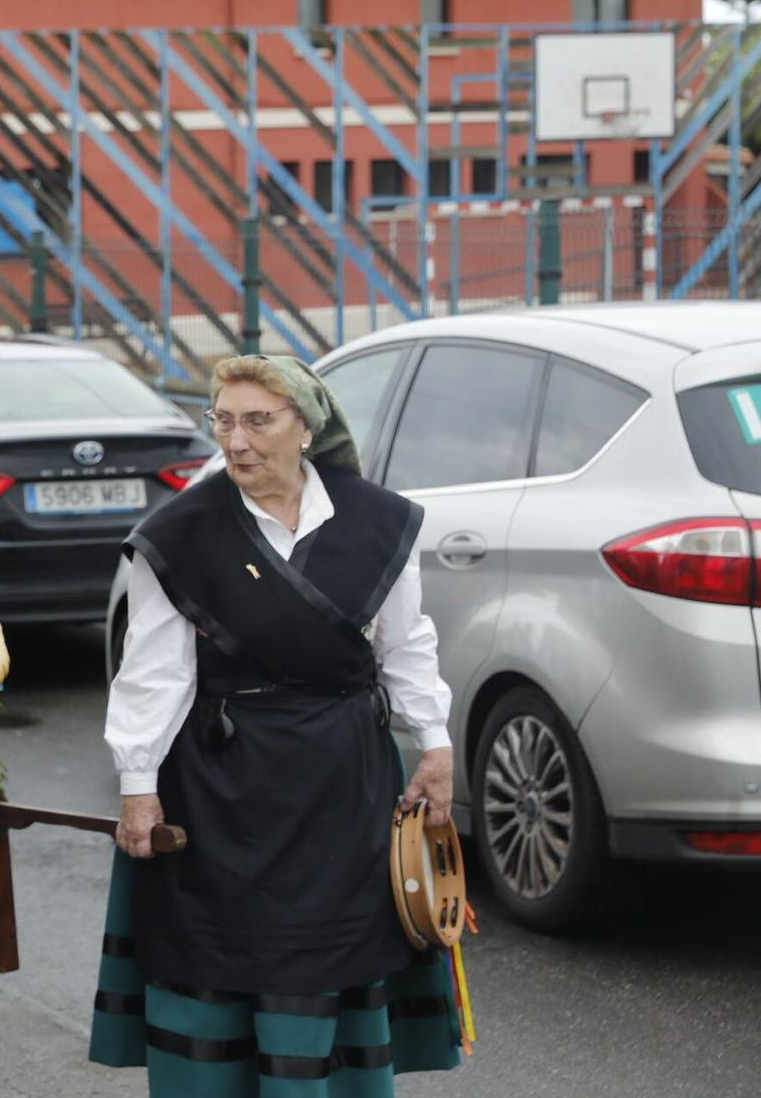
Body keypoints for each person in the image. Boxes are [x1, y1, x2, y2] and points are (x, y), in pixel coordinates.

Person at [90, 354, 464, 1093]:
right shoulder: (180, 534)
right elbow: (155, 670)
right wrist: (138, 784)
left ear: (306, 427)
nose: (237, 441)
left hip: (343, 776)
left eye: (258, 420)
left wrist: (435, 741)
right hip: (224, 782)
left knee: (333, 956)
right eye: (223, 421)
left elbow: (406, 640)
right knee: (223, 953)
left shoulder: (377, 520)